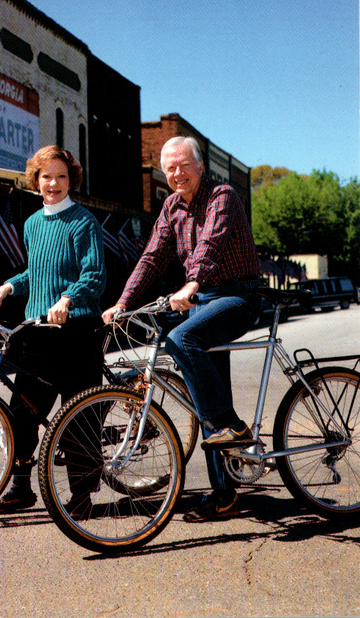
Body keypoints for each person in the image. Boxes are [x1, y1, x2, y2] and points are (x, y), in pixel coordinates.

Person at [102, 136, 261, 523]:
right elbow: (152, 255)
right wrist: (123, 301)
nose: (176, 174)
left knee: (182, 338)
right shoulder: (171, 205)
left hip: (238, 296)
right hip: (202, 301)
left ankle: (232, 426)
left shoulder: (222, 195)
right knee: (200, 389)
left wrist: (192, 284)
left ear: (200, 166)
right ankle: (224, 494)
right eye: (169, 168)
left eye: (183, 165)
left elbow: (211, 244)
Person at [0, 145, 106, 515]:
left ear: (72, 180)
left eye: (61, 176)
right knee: (22, 411)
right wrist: (9, 286)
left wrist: (68, 299)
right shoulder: (32, 223)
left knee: (78, 415)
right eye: (46, 176)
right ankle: (21, 488)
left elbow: (94, 275)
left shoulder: (83, 221)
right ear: (35, 181)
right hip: (38, 330)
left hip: (76, 328)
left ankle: (82, 497)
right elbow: (37, 273)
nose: (53, 183)